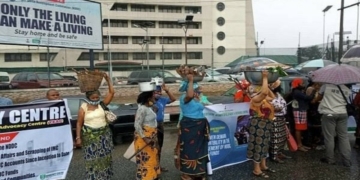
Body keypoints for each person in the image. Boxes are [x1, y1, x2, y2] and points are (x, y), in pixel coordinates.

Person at [75, 73, 115, 180]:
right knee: (93, 159)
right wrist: (78, 138)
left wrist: (108, 80)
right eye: (93, 97)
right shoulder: (83, 108)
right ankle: (94, 177)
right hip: (90, 138)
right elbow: (79, 123)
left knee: (105, 158)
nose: (96, 99)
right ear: (88, 97)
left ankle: (105, 177)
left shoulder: (102, 105)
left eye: (97, 97)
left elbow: (112, 92)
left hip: (104, 137)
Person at [177, 74, 209, 180]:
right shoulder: (184, 98)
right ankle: (186, 173)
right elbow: (189, 95)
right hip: (189, 127)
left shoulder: (196, 99)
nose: (197, 91)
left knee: (199, 149)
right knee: (188, 149)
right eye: (195, 89)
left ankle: (197, 171)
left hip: (199, 127)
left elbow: (204, 106)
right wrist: (190, 80)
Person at [247, 71, 276, 178]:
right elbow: (264, 93)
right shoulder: (255, 99)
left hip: (266, 123)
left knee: (264, 145)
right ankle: (256, 169)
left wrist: (266, 85)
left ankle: (263, 165)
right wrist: (264, 77)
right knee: (258, 146)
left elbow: (272, 97)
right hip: (258, 124)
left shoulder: (264, 98)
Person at [317, 83, 352, 167]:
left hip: (329, 114)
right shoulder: (346, 89)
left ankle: (330, 159)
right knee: (344, 137)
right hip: (343, 113)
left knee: (329, 137)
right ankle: (347, 161)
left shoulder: (325, 86)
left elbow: (318, 98)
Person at [134, 90, 161, 180]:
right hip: (145, 139)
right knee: (146, 161)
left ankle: (152, 176)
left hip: (152, 137)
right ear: (148, 98)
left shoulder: (148, 107)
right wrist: (145, 138)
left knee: (152, 159)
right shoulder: (142, 109)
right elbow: (137, 125)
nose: (155, 97)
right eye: (153, 96)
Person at [154, 83, 176, 172]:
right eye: (156, 91)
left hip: (160, 125)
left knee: (159, 146)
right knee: (153, 147)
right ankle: (152, 167)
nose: (158, 93)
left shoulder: (162, 100)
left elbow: (173, 99)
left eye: (159, 91)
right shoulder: (149, 101)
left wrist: (167, 90)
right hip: (152, 126)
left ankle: (158, 166)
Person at [269, 80, 291, 163]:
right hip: (274, 118)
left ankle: (279, 153)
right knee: (275, 138)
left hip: (281, 117)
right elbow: (267, 107)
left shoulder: (278, 94)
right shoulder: (268, 96)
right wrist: (275, 109)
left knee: (282, 137)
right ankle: (274, 156)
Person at [291, 78, 315, 152]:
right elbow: (307, 98)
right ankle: (299, 145)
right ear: (297, 84)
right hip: (299, 111)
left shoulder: (298, 91)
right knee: (298, 128)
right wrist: (313, 92)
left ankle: (301, 144)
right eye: (302, 83)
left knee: (301, 128)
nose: (303, 85)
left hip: (301, 110)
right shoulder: (296, 92)